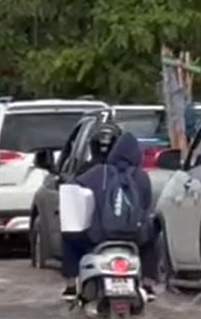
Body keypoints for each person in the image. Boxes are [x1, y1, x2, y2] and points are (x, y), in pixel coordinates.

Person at [60, 125, 155, 300]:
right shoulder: (142, 177)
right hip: (135, 238)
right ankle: (148, 284)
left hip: (100, 236)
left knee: (69, 237)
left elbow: (73, 192)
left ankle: (71, 286)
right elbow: (147, 207)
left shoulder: (96, 173)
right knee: (151, 238)